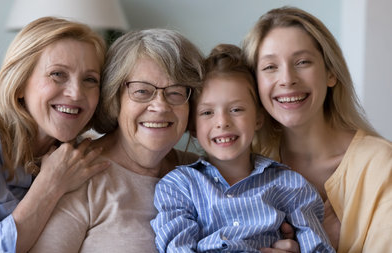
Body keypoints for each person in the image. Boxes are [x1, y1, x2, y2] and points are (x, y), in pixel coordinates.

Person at [0, 17, 110, 252]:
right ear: (20, 83)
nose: (75, 93)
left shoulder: (76, 156)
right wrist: (51, 184)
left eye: (90, 79)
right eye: (58, 74)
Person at [28, 28, 204, 252]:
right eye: (142, 91)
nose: (160, 106)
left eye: (176, 93)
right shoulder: (76, 174)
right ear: (115, 98)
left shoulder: (202, 172)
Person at [150, 44, 334, 253]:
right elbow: (177, 248)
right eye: (207, 112)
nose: (222, 122)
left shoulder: (290, 185)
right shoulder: (179, 186)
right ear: (192, 126)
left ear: (258, 119)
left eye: (236, 109)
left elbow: (318, 247)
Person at [242, 6, 392, 252]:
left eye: (302, 62)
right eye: (270, 67)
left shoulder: (381, 165)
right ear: (255, 84)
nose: (287, 78)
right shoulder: (244, 165)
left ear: (331, 73)